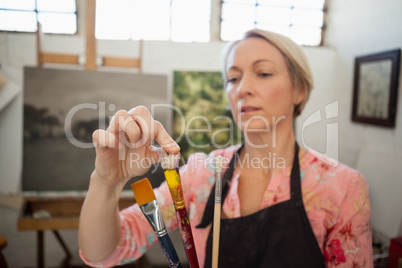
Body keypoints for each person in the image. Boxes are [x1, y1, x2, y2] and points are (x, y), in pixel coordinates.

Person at [78, 29, 372, 267]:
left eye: (264, 73)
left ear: (299, 90)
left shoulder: (342, 187)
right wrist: (106, 183)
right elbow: (104, 252)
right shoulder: (200, 173)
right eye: (233, 78)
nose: (242, 88)